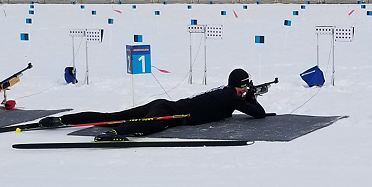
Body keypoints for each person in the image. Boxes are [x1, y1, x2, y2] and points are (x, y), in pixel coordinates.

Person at [40, 68, 267, 136]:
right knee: (146, 126)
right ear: (235, 85)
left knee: (111, 116)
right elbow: (259, 114)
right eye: (243, 86)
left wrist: (249, 95)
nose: (244, 90)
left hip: (165, 105)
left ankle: (62, 119)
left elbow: (251, 107)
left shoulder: (228, 92)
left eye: (246, 87)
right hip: (171, 113)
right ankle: (116, 133)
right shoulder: (231, 97)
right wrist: (251, 97)